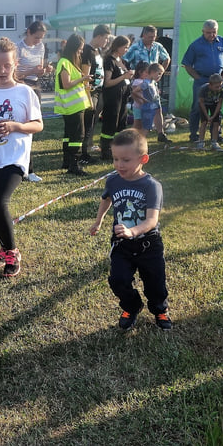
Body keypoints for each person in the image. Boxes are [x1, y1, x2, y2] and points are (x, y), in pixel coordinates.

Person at [0, 37, 43, 277]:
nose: (2, 71)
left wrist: (15, 126)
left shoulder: (25, 92)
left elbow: (38, 125)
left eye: (7, 66)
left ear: (16, 64)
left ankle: (12, 252)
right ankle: (4, 248)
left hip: (14, 159)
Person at [89, 129, 171, 331]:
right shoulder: (113, 180)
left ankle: (159, 309)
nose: (119, 165)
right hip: (121, 243)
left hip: (148, 243)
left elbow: (152, 220)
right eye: (115, 159)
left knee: (155, 282)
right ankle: (131, 307)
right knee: (118, 279)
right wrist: (98, 221)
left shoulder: (151, 186)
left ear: (143, 159)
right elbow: (106, 199)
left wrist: (133, 231)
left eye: (125, 160)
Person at [182, 20, 223, 143]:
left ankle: (216, 134)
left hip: (218, 80)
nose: (211, 35)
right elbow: (187, 64)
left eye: (214, 32)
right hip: (202, 80)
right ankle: (194, 134)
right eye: (208, 32)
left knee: (217, 107)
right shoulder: (196, 45)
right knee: (197, 107)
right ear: (203, 31)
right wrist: (198, 78)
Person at [15, 20, 51, 182]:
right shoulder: (18, 48)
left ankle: (27, 169)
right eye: (37, 37)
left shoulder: (41, 47)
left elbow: (39, 71)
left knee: (32, 127)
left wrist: (44, 71)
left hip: (35, 86)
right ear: (28, 32)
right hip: (21, 86)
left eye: (41, 38)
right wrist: (31, 70)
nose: (39, 41)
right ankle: (24, 169)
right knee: (22, 128)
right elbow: (14, 75)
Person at [54, 33, 93, 175]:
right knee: (77, 135)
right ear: (74, 47)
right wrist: (83, 78)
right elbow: (66, 84)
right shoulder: (64, 62)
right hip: (72, 106)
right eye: (80, 48)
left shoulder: (69, 62)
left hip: (73, 105)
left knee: (69, 134)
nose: (81, 51)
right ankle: (74, 165)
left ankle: (67, 161)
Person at [99, 35, 135, 160]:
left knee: (121, 122)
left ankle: (119, 148)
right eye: (125, 47)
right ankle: (106, 150)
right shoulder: (109, 60)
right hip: (113, 97)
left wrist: (129, 75)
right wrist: (123, 77)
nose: (127, 49)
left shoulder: (122, 60)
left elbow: (124, 76)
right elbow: (107, 82)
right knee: (110, 123)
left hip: (123, 96)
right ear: (118, 46)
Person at [79, 24, 111, 164]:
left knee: (93, 121)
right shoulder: (87, 50)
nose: (106, 41)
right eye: (105, 38)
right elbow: (85, 74)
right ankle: (83, 152)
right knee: (87, 121)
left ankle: (88, 146)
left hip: (98, 90)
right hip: (90, 91)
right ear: (98, 36)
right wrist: (88, 94)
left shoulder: (98, 51)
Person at [136, 63, 169, 142]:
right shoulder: (145, 83)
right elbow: (135, 91)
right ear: (153, 72)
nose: (160, 77)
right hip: (148, 107)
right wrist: (143, 99)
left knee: (158, 114)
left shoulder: (153, 82)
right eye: (159, 74)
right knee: (146, 127)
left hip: (155, 105)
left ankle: (161, 134)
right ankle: (139, 143)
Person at [197, 73, 223, 151]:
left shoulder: (222, 89)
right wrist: (207, 116)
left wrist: (213, 116)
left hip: (215, 104)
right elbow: (201, 102)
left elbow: (220, 103)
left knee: (216, 123)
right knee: (204, 122)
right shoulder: (203, 89)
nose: (219, 88)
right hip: (204, 104)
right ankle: (201, 142)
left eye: (220, 86)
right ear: (210, 85)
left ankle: (214, 142)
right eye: (216, 87)